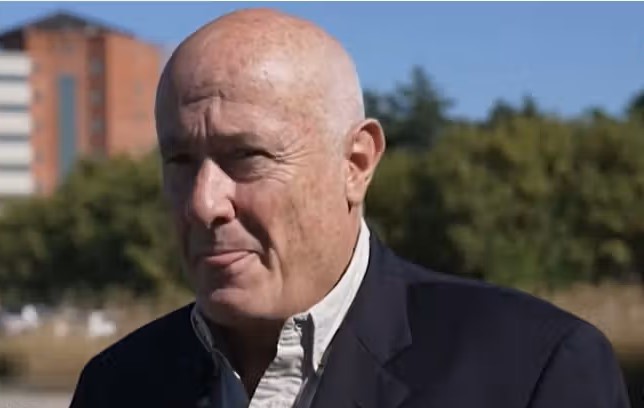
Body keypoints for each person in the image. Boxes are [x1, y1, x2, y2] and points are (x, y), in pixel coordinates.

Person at [70, 8, 630, 408]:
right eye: (179, 161)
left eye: (246, 156)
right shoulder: (116, 386)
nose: (203, 203)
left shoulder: (531, 371)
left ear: (356, 163)